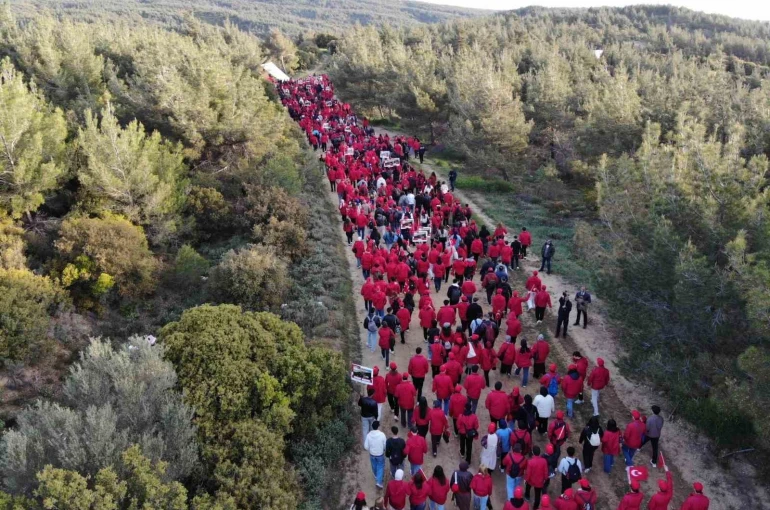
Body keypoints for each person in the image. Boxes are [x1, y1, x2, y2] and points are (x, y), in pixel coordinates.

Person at [524, 445, 548, 510]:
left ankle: (527, 496)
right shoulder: (544, 461)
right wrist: (545, 479)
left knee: (528, 487)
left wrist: (526, 479)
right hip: (539, 481)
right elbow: (546, 471)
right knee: (537, 495)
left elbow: (528, 473)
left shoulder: (530, 461)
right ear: (539, 452)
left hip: (531, 480)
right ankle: (535, 507)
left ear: (533, 452)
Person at [364, 420, 387, 488]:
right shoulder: (382, 435)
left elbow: (366, 446)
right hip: (380, 454)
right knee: (380, 467)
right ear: (378, 426)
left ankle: (377, 476)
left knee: (374, 466)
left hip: (372, 454)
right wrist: (384, 449)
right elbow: (385, 445)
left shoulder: (368, 435)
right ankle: (378, 482)